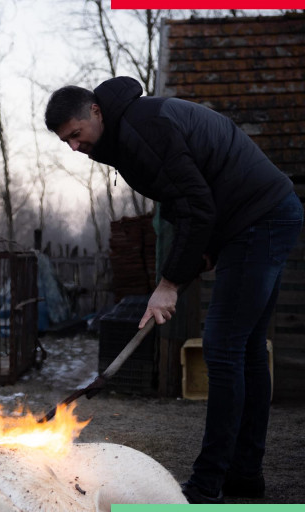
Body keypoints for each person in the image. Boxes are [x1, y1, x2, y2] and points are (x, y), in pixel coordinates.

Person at [44, 76, 302, 504]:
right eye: (65, 142)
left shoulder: (142, 130)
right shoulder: (131, 130)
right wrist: (202, 254)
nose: (74, 147)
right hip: (261, 216)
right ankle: (243, 479)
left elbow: (197, 204)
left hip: (259, 219)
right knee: (248, 350)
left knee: (222, 348)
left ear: (95, 112)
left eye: (76, 134)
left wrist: (168, 284)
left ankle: (207, 485)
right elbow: (189, 201)